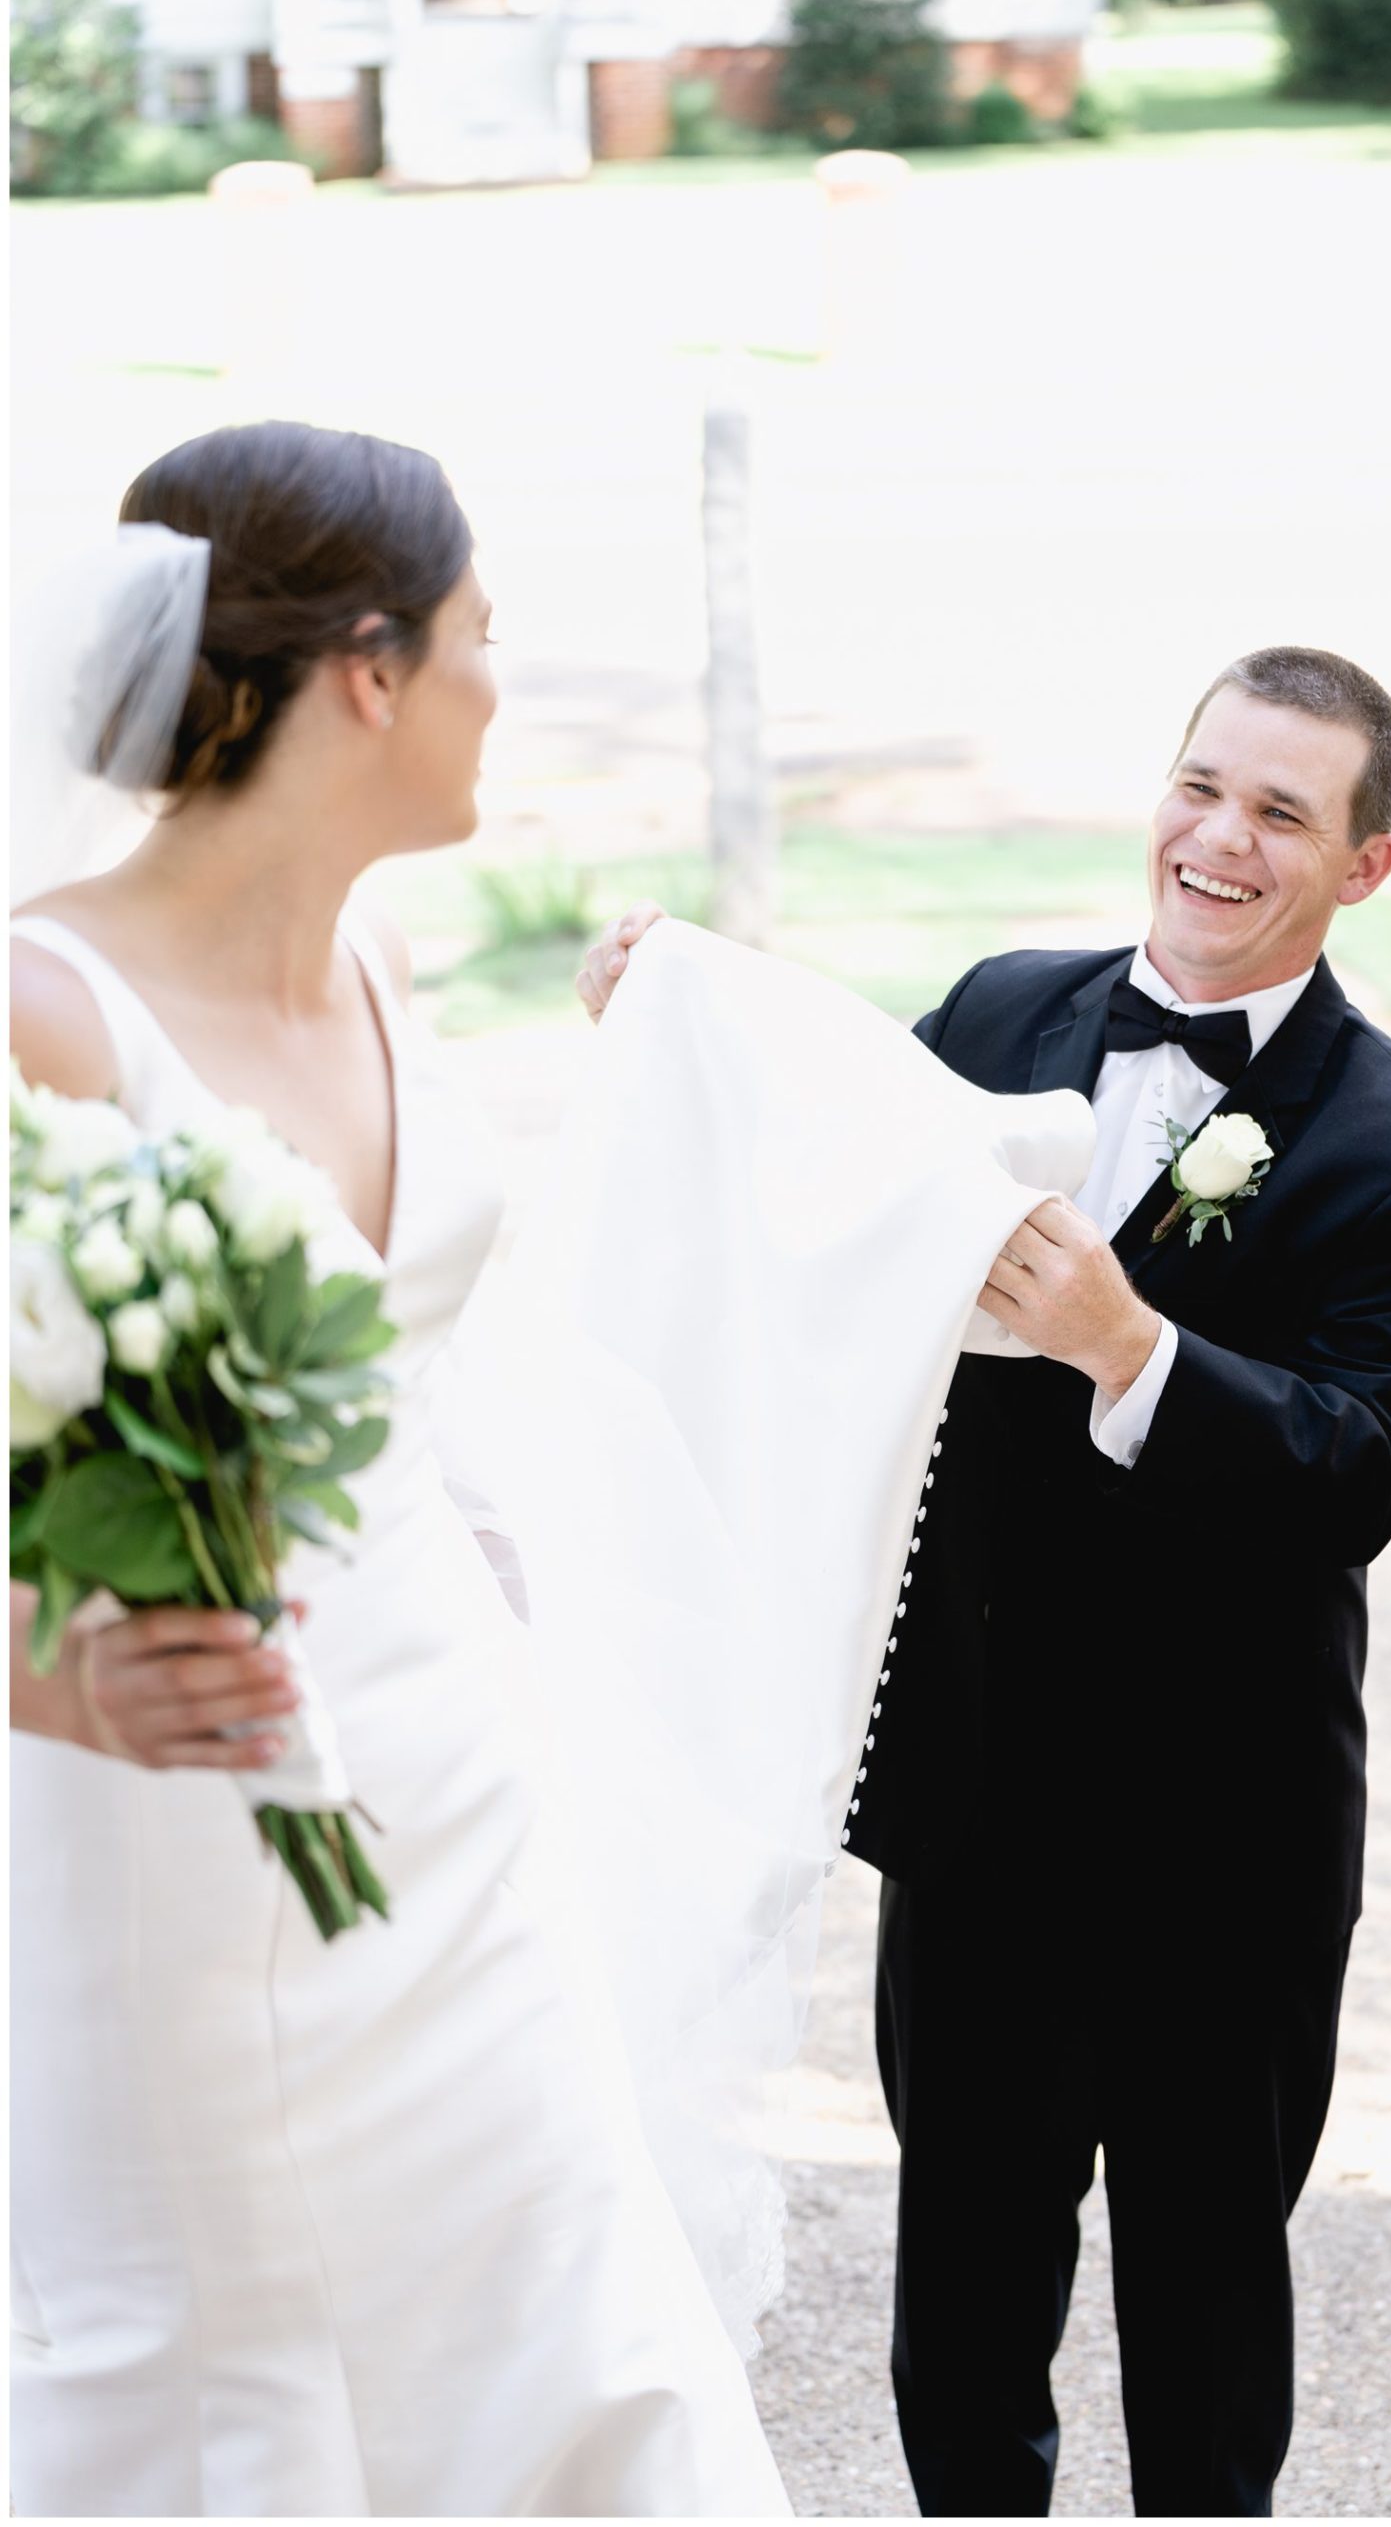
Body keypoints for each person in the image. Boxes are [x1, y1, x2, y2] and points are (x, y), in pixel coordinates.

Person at [578, 646, 1391, 2518]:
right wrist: (676, 1027)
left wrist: (1129, 1348)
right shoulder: (1002, 1009)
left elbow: (1354, 1467)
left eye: (1278, 813)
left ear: (1363, 867)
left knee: (1203, 2322)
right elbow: (825, 1209)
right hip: (976, 1808)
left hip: (1221, 1849)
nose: (1217, 840)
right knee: (962, 2313)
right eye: (1199, 785)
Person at [9, 422, 790, 2517]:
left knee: (568, 2316)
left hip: (457, 1783)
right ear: (364, 669)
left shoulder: (382, 963)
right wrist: (38, 1671)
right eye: (478, 640)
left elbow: (407, 1364)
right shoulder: (40, 1007)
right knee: (231, 2355)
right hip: (177, 1807)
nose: (494, 689)